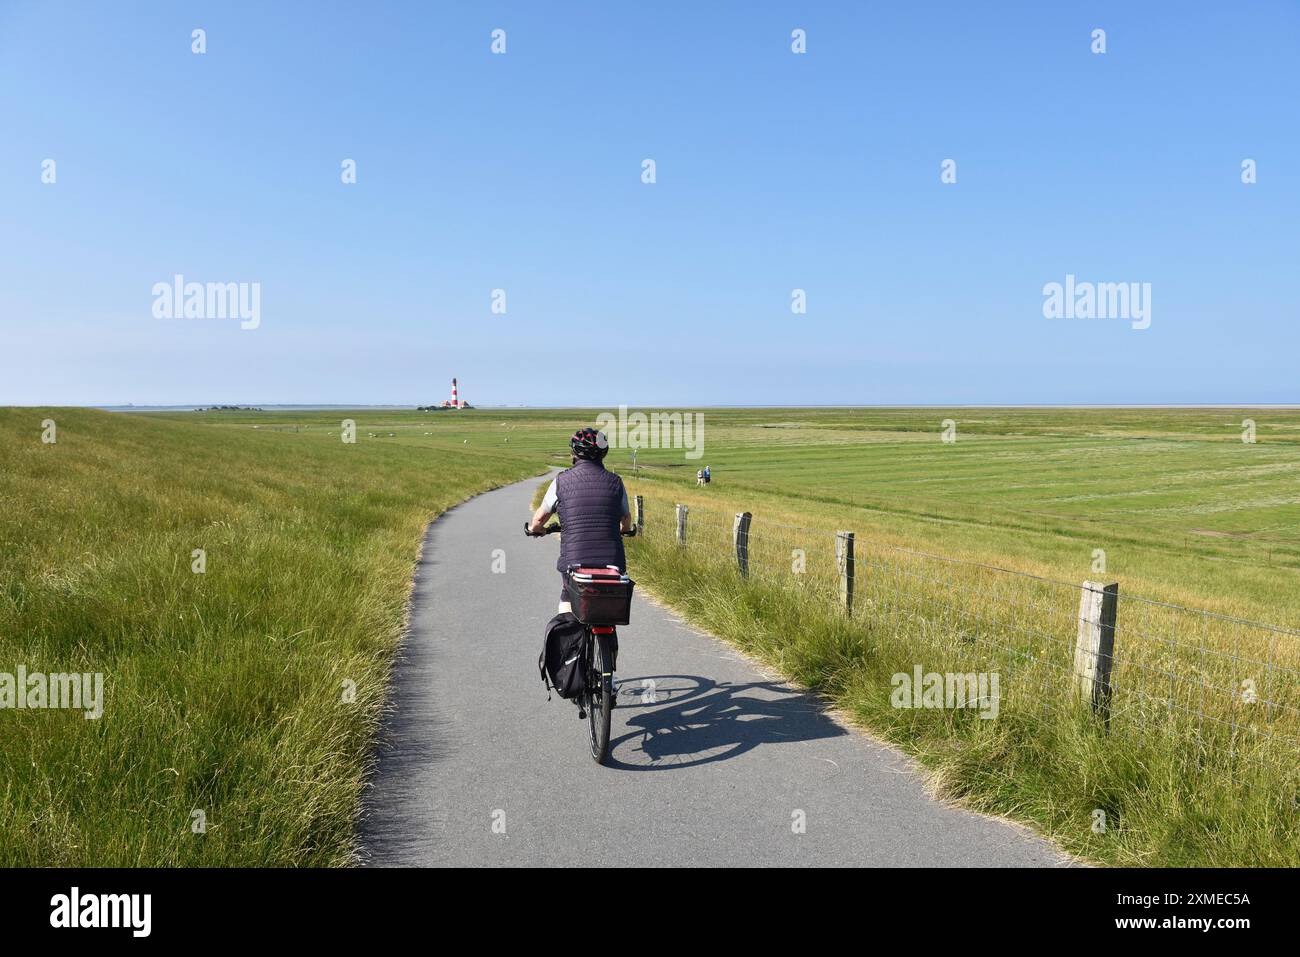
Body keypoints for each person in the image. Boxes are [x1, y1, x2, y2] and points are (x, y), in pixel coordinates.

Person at [529, 428, 633, 612]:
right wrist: (624, 529)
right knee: (609, 602)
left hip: (574, 560)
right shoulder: (616, 482)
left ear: (574, 453)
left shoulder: (561, 481)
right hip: (612, 562)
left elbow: (539, 519)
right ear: (604, 452)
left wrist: (536, 529)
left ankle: (567, 634)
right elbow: (626, 520)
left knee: (568, 596)